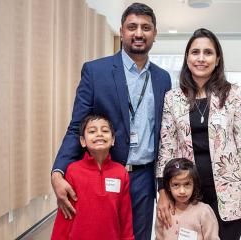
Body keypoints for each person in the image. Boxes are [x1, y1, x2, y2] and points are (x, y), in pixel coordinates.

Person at [51, 3, 171, 239]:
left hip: (143, 179)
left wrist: (164, 185)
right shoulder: (96, 71)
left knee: (137, 235)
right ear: (122, 31)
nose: (139, 33)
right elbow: (77, 126)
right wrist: (58, 171)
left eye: (146, 27)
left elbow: (164, 134)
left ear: (154, 34)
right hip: (103, 174)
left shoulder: (162, 78)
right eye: (132, 27)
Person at [156, 28, 241, 240]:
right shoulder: (173, 98)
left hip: (230, 193)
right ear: (187, 58)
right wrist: (162, 192)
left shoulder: (234, 95)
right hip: (187, 191)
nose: (201, 58)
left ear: (217, 58)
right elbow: (166, 146)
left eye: (208, 52)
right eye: (195, 52)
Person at [51, 114, 134, 240]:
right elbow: (65, 215)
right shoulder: (73, 171)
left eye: (105, 130)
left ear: (113, 140)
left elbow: (125, 215)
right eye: (92, 131)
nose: (99, 134)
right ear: (83, 141)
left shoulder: (121, 172)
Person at [155, 158, 220, 240]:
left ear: (194, 185)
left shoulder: (204, 211)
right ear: (168, 186)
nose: (182, 191)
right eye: (176, 185)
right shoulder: (164, 212)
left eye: (187, 184)